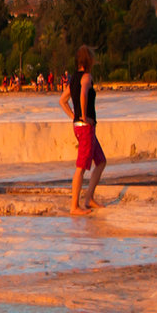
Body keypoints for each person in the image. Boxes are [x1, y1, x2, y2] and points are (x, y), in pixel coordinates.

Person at [63, 44, 106, 213]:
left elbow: (62, 101)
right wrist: (82, 117)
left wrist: (73, 117)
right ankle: (74, 206)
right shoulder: (86, 77)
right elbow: (83, 95)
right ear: (89, 60)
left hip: (80, 127)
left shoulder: (74, 78)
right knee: (81, 167)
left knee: (101, 161)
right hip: (85, 128)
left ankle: (89, 198)